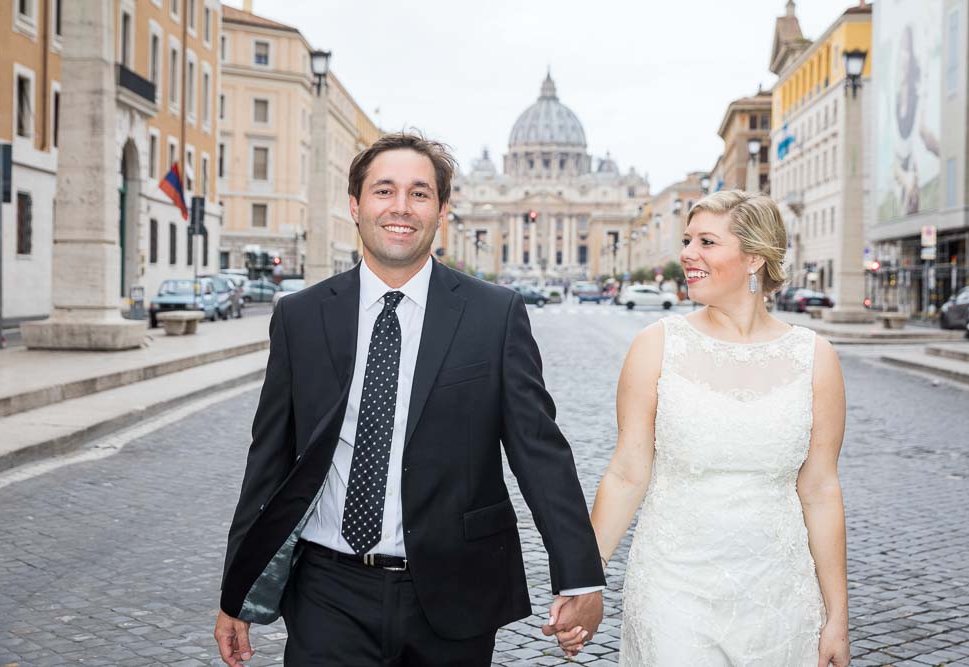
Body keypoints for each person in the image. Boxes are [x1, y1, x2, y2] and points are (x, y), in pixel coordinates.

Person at [213, 132, 605, 667]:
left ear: (443, 210)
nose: (401, 207)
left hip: (454, 587)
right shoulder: (300, 316)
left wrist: (579, 572)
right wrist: (237, 590)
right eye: (383, 191)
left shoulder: (495, 314)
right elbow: (268, 461)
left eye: (419, 193)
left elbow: (539, 452)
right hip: (327, 590)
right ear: (355, 205)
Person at [555, 190, 850, 665]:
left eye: (707, 242)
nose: (687, 254)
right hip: (674, 588)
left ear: (753, 257)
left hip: (780, 592)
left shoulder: (816, 358)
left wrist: (837, 615)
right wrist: (585, 580)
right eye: (688, 239)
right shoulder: (656, 346)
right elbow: (628, 473)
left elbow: (820, 489)